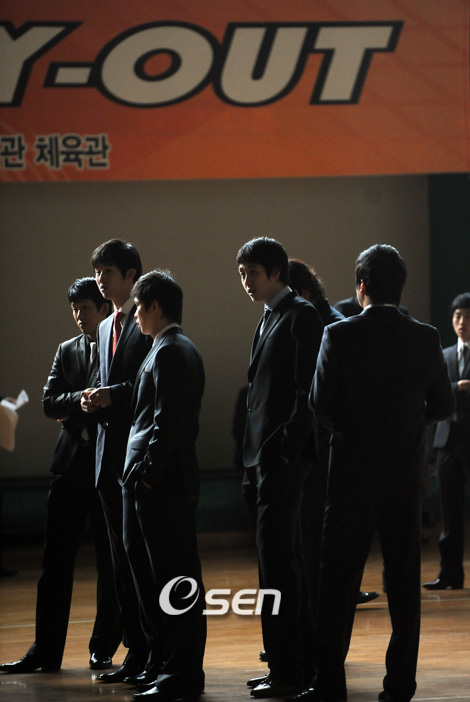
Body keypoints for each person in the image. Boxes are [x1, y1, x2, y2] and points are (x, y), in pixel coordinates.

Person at [291, 245, 454, 702]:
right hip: (405, 477)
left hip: (350, 476)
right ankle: (399, 686)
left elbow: (320, 406)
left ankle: (329, 684)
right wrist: (407, 422)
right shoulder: (425, 337)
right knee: (403, 584)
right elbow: (443, 405)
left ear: (361, 286)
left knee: (337, 582)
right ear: (399, 287)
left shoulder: (339, 335)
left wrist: (356, 425)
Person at [0, 278, 121, 674]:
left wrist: (87, 405)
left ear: (104, 308)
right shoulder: (67, 349)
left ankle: (103, 647)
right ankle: (45, 651)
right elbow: (48, 402)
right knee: (54, 563)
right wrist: (81, 399)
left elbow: (125, 399)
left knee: (110, 562)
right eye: (74, 308)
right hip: (69, 466)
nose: (78, 315)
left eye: (85, 307)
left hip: (106, 465)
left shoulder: (119, 346)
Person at [236, 237, 323, 699]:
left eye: (252, 272)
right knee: (279, 565)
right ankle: (292, 663)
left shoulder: (301, 315)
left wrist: (287, 450)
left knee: (281, 567)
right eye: (242, 274)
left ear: (275, 272)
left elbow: (309, 393)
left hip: (282, 460)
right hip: (263, 460)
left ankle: (290, 670)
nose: (246, 282)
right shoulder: (270, 315)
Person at [122, 270, 206, 701]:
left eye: (139, 307)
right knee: (165, 578)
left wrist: (147, 475)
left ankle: (180, 673)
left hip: (163, 485)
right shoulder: (172, 346)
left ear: (155, 307)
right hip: (162, 483)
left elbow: (167, 424)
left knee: (173, 581)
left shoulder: (171, 350)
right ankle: (167, 666)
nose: (135, 314)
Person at [81, 239, 153, 684]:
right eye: (97, 272)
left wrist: (112, 395)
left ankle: (152, 651)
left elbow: (149, 387)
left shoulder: (148, 319)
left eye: (107, 271)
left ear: (131, 275)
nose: (100, 280)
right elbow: (108, 381)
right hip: (107, 456)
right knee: (119, 564)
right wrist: (93, 397)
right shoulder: (106, 324)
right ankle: (135, 650)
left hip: (137, 455)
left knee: (141, 561)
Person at [288, 259, 379, 607]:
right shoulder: (325, 321)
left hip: (329, 446)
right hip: (325, 444)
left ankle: (325, 603)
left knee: (322, 531)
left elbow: (332, 398)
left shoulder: (332, 327)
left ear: (304, 293)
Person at [423, 292, 470, 590]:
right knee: (449, 511)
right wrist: (458, 387)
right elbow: (433, 392)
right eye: (457, 317)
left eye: (468, 317)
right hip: (448, 441)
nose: (462, 322)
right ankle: (450, 574)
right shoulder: (445, 354)